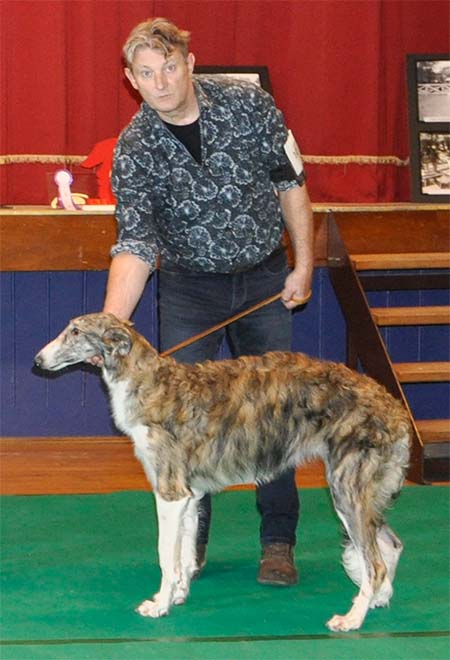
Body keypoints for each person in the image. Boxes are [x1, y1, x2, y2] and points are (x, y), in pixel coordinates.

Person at [104, 17, 314, 586]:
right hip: (189, 288)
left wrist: (303, 263)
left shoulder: (249, 105)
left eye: (170, 67)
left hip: (264, 279)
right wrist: (110, 326)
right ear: (132, 80)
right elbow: (136, 243)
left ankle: (278, 543)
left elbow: (291, 183)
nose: (161, 82)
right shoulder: (135, 148)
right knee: (182, 424)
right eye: (147, 73)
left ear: (190, 64)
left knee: (275, 415)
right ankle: (190, 548)